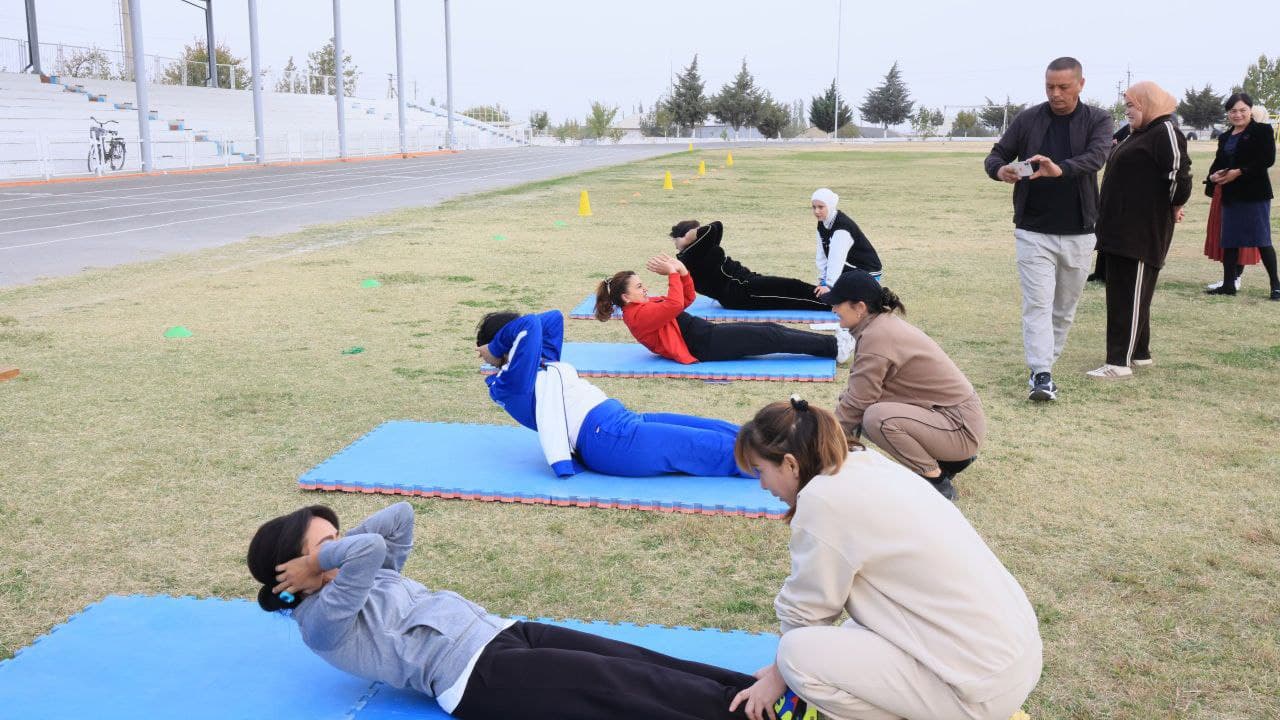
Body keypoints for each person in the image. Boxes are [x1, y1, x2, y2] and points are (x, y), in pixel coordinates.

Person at [248, 502, 760, 720]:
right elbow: (369, 552)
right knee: (620, 686)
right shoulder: (321, 621)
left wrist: (324, 551)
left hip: (506, 633)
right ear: (290, 567)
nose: (336, 548)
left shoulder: (358, 572)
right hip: (477, 677)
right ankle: (755, 716)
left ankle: (756, 689)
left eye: (334, 540)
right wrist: (323, 559)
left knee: (635, 657)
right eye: (322, 547)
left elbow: (400, 519)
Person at [728, 399, 1042, 720]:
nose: (763, 485)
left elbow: (807, 608)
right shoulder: (864, 464)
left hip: (978, 690)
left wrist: (780, 676)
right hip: (1014, 660)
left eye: (760, 471)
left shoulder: (823, 499)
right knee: (844, 634)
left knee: (796, 655)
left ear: (791, 464)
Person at [983, 56, 1114, 402]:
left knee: (1063, 308)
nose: (1055, 93)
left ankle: (1045, 365)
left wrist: (1062, 169)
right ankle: (1041, 375)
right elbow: (995, 155)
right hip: (1033, 230)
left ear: (1081, 84)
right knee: (1037, 304)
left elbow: (1098, 157)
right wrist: (1001, 171)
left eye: (1063, 87)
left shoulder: (1098, 119)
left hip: (1080, 231)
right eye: (1049, 87)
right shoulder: (1028, 119)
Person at [477, 309, 744, 477]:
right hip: (608, 440)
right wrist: (499, 344)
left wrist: (497, 343)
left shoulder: (537, 363)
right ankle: (777, 463)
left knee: (719, 430)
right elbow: (530, 326)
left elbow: (552, 319)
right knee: (706, 447)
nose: (478, 352)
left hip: (621, 423)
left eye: (481, 346)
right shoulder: (511, 383)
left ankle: (775, 437)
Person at [819, 270, 985, 500]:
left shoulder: (878, 336)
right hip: (950, 419)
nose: (833, 309)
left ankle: (936, 479)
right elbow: (857, 394)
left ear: (859, 307)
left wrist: (823, 443)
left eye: (838, 303)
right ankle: (949, 460)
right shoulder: (878, 326)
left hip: (959, 427)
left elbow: (858, 401)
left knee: (877, 418)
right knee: (861, 408)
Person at [1090, 81, 1193, 379]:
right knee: (1131, 291)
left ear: (1148, 104)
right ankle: (1139, 353)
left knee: (1128, 293)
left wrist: (1175, 204)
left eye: (1132, 106)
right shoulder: (1141, 133)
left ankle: (1117, 363)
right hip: (1120, 228)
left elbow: (1179, 174)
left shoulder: (1165, 131)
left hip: (1140, 229)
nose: (1127, 112)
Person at [594, 255, 854, 365]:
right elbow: (674, 304)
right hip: (704, 345)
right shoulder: (637, 316)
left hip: (707, 334)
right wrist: (673, 273)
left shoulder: (643, 306)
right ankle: (834, 349)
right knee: (770, 338)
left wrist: (682, 273)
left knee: (770, 331)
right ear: (626, 297)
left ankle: (833, 344)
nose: (645, 288)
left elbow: (685, 300)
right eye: (639, 287)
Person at [1202, 93, 1277, 301]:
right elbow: (1218, 162)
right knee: (1230, 240)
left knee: (1262, 239)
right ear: (1228, 113)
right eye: (1233, 111)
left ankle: (1276, 286)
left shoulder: (1262, 130)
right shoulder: (1226, 137)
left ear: (1250, 110)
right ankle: (1229, 284)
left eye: (1242, 110)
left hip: (1255, 193)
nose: (1238, 114)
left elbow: (1267, 159)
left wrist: (1240, 171)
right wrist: (1212, 176)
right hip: (1231, 194)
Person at [671, 219, 832, 311]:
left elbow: (716, 227)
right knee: (790, 294)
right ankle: (834, 305)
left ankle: (834, 299)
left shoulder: (699, 249)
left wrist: (690, 235)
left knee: (792, 287)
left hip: (746, 283)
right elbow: (713, 228)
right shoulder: (689, 257)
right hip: (740, 292)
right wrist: (687, 236)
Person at [810, 188, 882, 293]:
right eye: (814, 207)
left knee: (840, 301)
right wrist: (822, 280)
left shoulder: (842, 228)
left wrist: (829, 285)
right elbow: (822, 254)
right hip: (848, 268)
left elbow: (836, 258)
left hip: (867, 272)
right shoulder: (822, 222)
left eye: (821, 207)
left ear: (830, 206)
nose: (816, 211)